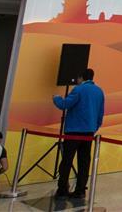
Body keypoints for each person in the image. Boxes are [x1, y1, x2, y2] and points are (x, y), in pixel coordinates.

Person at [52, 68, 105, 200]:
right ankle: (80, 190)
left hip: (73, 131)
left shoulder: (78, 89)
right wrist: (94, 127)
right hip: (89, 132)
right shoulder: (99, 91)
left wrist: (56, 98)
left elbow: (65, 104)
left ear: (81, 78)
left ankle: (62, 189)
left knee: (67, 160)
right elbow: (100, 113)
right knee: (84, 162)